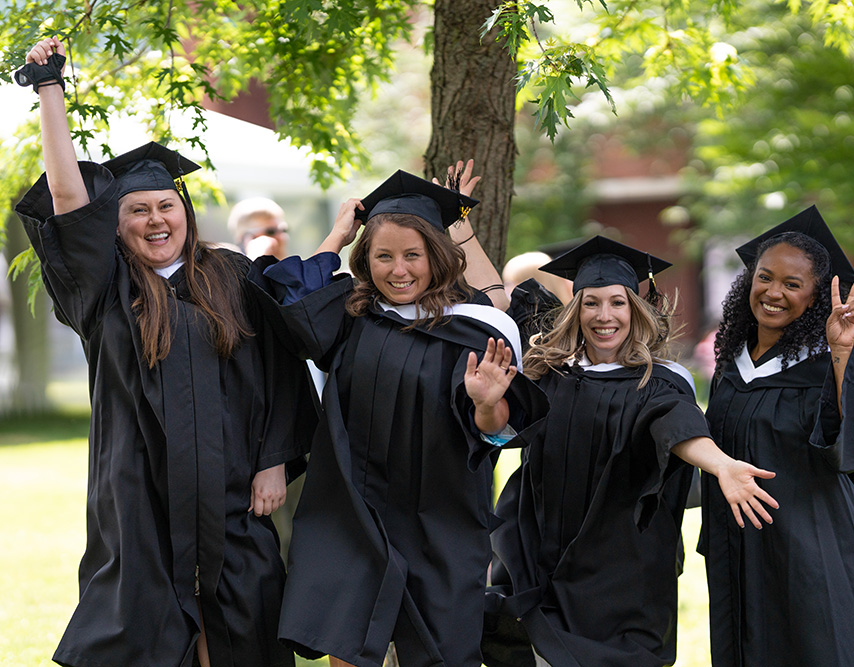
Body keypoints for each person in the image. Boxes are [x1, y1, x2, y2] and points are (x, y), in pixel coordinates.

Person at [13, 37, 316, 667]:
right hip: (140, 499)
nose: (155, 220)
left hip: (235, 495)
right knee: (146, 635)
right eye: (137, 210)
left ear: (186, 211)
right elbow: (68, 202)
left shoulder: (233, 277)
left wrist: (273, 462)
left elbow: (282, 372)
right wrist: (50, 90)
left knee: (243, 630)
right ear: (114, 225)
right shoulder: (104, 290)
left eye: (165, 206)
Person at [248, 168, 548, 667]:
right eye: (383, 256)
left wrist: (486, 402)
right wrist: (339, 233)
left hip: (439, 520)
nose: (399, 270)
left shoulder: (472, 328)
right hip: (351, 511)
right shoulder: (349, 317)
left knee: (438, 653)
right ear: (365, 260)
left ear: (436, 256)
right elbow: (294, 309)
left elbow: (494, 434)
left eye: (413, 255)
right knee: (346, 642)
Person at [483, 236, 778, 667]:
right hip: (545, 559)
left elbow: (678, 426)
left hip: (624, 573)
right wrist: (487, 403)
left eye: (618, 303)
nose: (605, 316)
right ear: (576, 309)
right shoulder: (550, 374)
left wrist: (723, 465)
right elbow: (501, 431)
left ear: (635, 309)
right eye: (592, 303)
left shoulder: (657, 381)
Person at [700, 206, 854, 667]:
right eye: (765, 277)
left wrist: (842, 353)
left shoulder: (825, 363)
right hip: (738, 549)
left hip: (811, 549)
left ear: (814, 298)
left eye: (793, 284)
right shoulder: (730, 364)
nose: (773, 292)